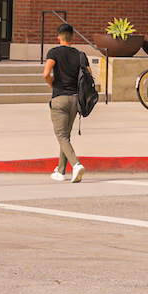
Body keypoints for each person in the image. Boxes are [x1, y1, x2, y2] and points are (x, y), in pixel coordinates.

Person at [43, 22, 87, 183]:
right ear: (72, 37)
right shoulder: (80, 55)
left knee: (61, 135)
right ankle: (61, 171)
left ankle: (76, 164)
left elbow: (46, 73)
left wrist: (52, 84)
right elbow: (88, 75)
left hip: (59, 99)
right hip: (75, 99)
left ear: (59, 37)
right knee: (66, 136)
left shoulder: (54, 52)